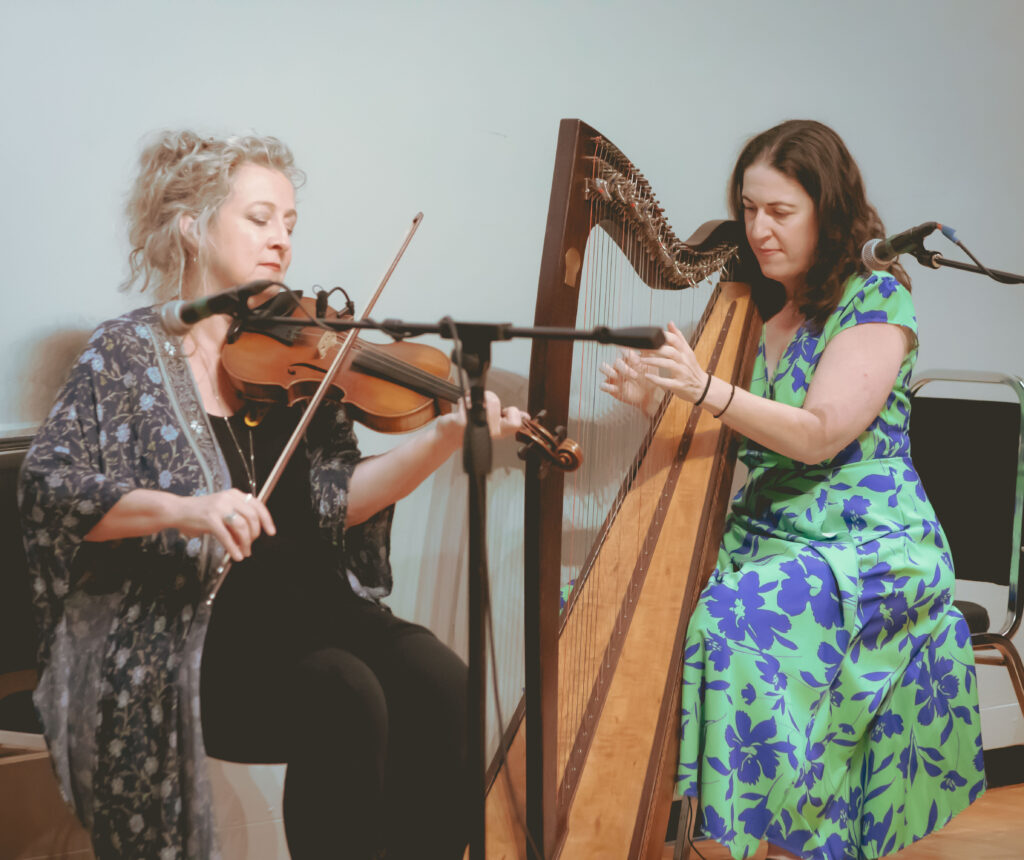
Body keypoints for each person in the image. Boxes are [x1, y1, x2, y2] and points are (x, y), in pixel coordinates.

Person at [18, 130, 525, 859]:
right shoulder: (126, 354)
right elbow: (52, 492)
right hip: (196, 628)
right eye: (260, 219)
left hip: (315, 605)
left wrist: (440, 440)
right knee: (344, 691)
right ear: (191, 226)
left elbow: (335, 500)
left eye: (289, 223)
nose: (281, 240)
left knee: (442, 682)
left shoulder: (297, 348)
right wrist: (193, 510)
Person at [601, 120, 985, 859]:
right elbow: (756, 438)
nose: (759, 228)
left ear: (827, 210)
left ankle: (770, 839)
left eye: (781, 211)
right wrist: (662, 403)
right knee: (620, 608)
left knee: (729, 621)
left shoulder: (875, 299)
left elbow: (817, 434)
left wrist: (704, 388)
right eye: (750, 209)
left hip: (869, 544)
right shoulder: (755, 312)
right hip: (771, 534)